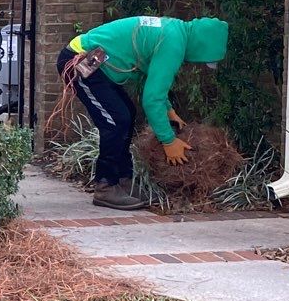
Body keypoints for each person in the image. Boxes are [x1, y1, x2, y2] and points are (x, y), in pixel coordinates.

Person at [56, 15, 229, 210]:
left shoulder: (175, 32)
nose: (200, 64)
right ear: (202, 45)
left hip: (98, 64)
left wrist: (169, 110)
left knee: (126, 113)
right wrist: (168, 141)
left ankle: (123, 180)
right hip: (80, 61)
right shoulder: (174, 44)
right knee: (115, 121)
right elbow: (151, 99)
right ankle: (105, 186)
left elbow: (155, 85)